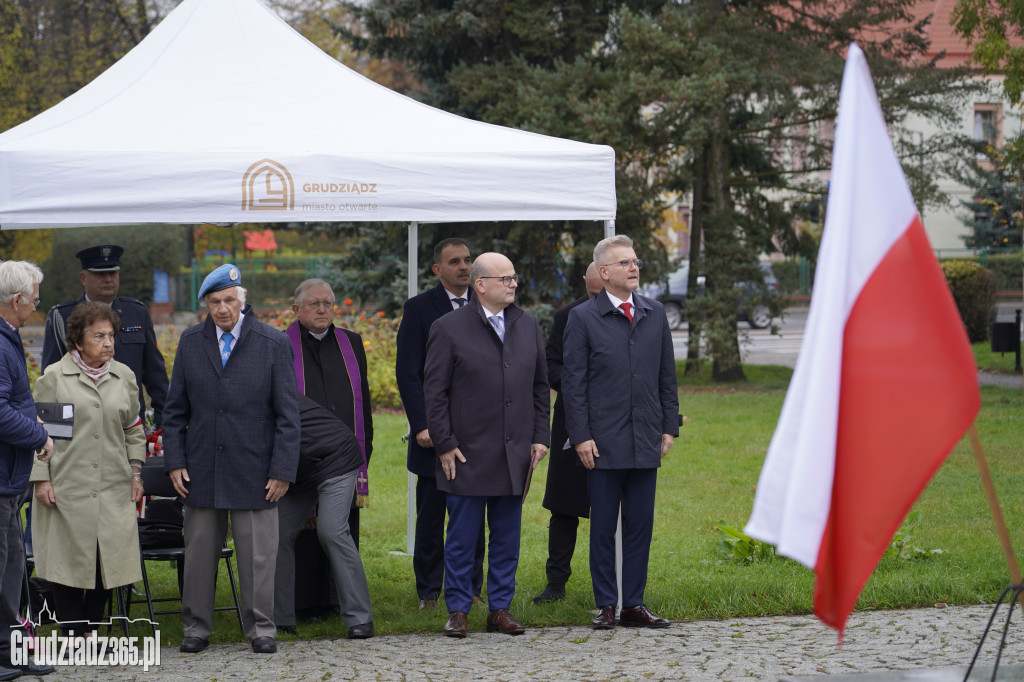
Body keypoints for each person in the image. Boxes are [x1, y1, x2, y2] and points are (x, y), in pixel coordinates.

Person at [163, 264, 300, 655]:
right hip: (201, 469)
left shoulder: (272, 342)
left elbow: (288, 417)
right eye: (213, 302)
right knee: (200, 554)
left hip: (256, 470)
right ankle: (196, 628)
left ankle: (261, 629)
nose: (221, 309)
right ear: (206, 304)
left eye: (228, 300)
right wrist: (175, 461)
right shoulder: (190, 342)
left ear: (242, 300)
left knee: (258, 555)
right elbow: (174, 412)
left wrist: (282, 471)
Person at [423, 252, 549, 638]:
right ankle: (459, 609)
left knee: (507, 536)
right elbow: (435, 391)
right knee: (462, 536)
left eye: (514, 278)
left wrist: (540, 436)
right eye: (504, 279)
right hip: (466, 452)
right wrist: (444, 444)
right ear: (480, 285)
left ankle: (500, 608)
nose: (512, 284)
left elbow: (540, 386)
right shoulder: (449, 327)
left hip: (514, 453)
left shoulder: (528, 325)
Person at [562, 235, 680, 630]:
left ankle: (634, 604)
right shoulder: (583, 318)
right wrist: (580, 435)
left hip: (645, 436)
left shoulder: (654, 312)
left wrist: (669, 426)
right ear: (603, 272)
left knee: (640, 525)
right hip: (602, 441)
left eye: (635, 261)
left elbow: (667, 376)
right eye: (624, 262)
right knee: (602, 527)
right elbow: (573, 383)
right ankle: (607, 604)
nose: (634, 268)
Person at [31, 301, 145, 643]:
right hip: (67, 485)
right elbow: (42, 434)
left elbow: (134, 429)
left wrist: (136, 472)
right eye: (99, 336)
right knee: (67, 561)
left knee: (107, 560)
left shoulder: (123, 376)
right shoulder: (54, 378)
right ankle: (74, 634)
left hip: (114, 484)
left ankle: (91, 630)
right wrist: (41, 479)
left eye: (111, 335)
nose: (108, 343)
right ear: (78, 341)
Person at [276, 279, 373, 639]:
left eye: (328, 304)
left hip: (338, 455)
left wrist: (367, 448)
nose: (322, 310)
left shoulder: (351, 343)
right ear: (296, 308)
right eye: (314, 304)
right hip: (298, 460)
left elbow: (362, 396)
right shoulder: (281, 345)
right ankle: (294, 609)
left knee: (335, 529)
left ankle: (350, 611)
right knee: (287, 532)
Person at [395, 238, 486, 610]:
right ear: (437, 269)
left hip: (477, 434)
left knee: (473, 518)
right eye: (455, 262)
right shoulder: (419, 310)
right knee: (432, 517)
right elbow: (409, 373)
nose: (464, 267)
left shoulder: (487, 306)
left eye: (467, 260)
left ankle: (472, 589)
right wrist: (422, 426)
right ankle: (429, 592)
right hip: (434, 434)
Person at [533, 262, 604, 604]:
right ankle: (556, 582)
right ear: (586, 281)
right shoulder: (567, 316)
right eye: (591, 291)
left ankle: (610, 584)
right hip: (570, 421)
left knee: (611, 506)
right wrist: (583, 386)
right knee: (564, 507)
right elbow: (551, 366)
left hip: (613, 421)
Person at [41, 245, 169, 427]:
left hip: (128, 423)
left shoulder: (137, 312)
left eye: (113, 273)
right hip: (81, 425)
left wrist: (165, 425)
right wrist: (58, 434)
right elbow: (51, 380)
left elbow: (155, 375)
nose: (108, 279)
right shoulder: (62, 316)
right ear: (83, 278)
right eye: (100, 274)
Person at [0, 261, 54, 679]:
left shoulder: (9, 336)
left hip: (9, 478)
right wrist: (38, 436)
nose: (36, 307)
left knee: (12, 566)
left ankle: (8, 649)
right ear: (16, 300)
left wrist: (30, 419)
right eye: (34, 300)